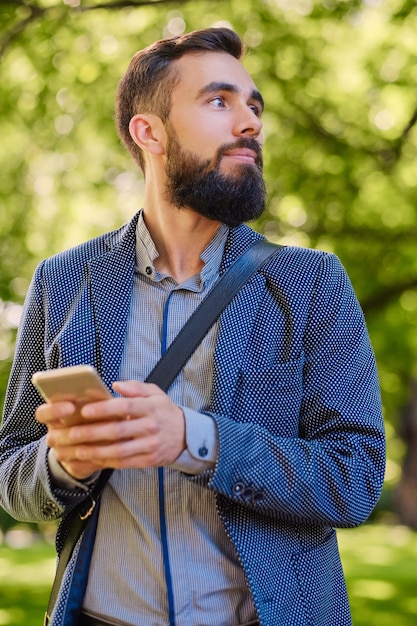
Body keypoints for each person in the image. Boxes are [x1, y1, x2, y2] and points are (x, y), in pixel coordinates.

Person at [0, 27, 385, 626]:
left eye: (253, 106)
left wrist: (194, 439)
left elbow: (355, 478)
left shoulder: (313, 283)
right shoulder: (64, 280)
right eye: (219, 101)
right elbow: (10, 472)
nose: (250, 122)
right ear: (148, 131)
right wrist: (62, 464)